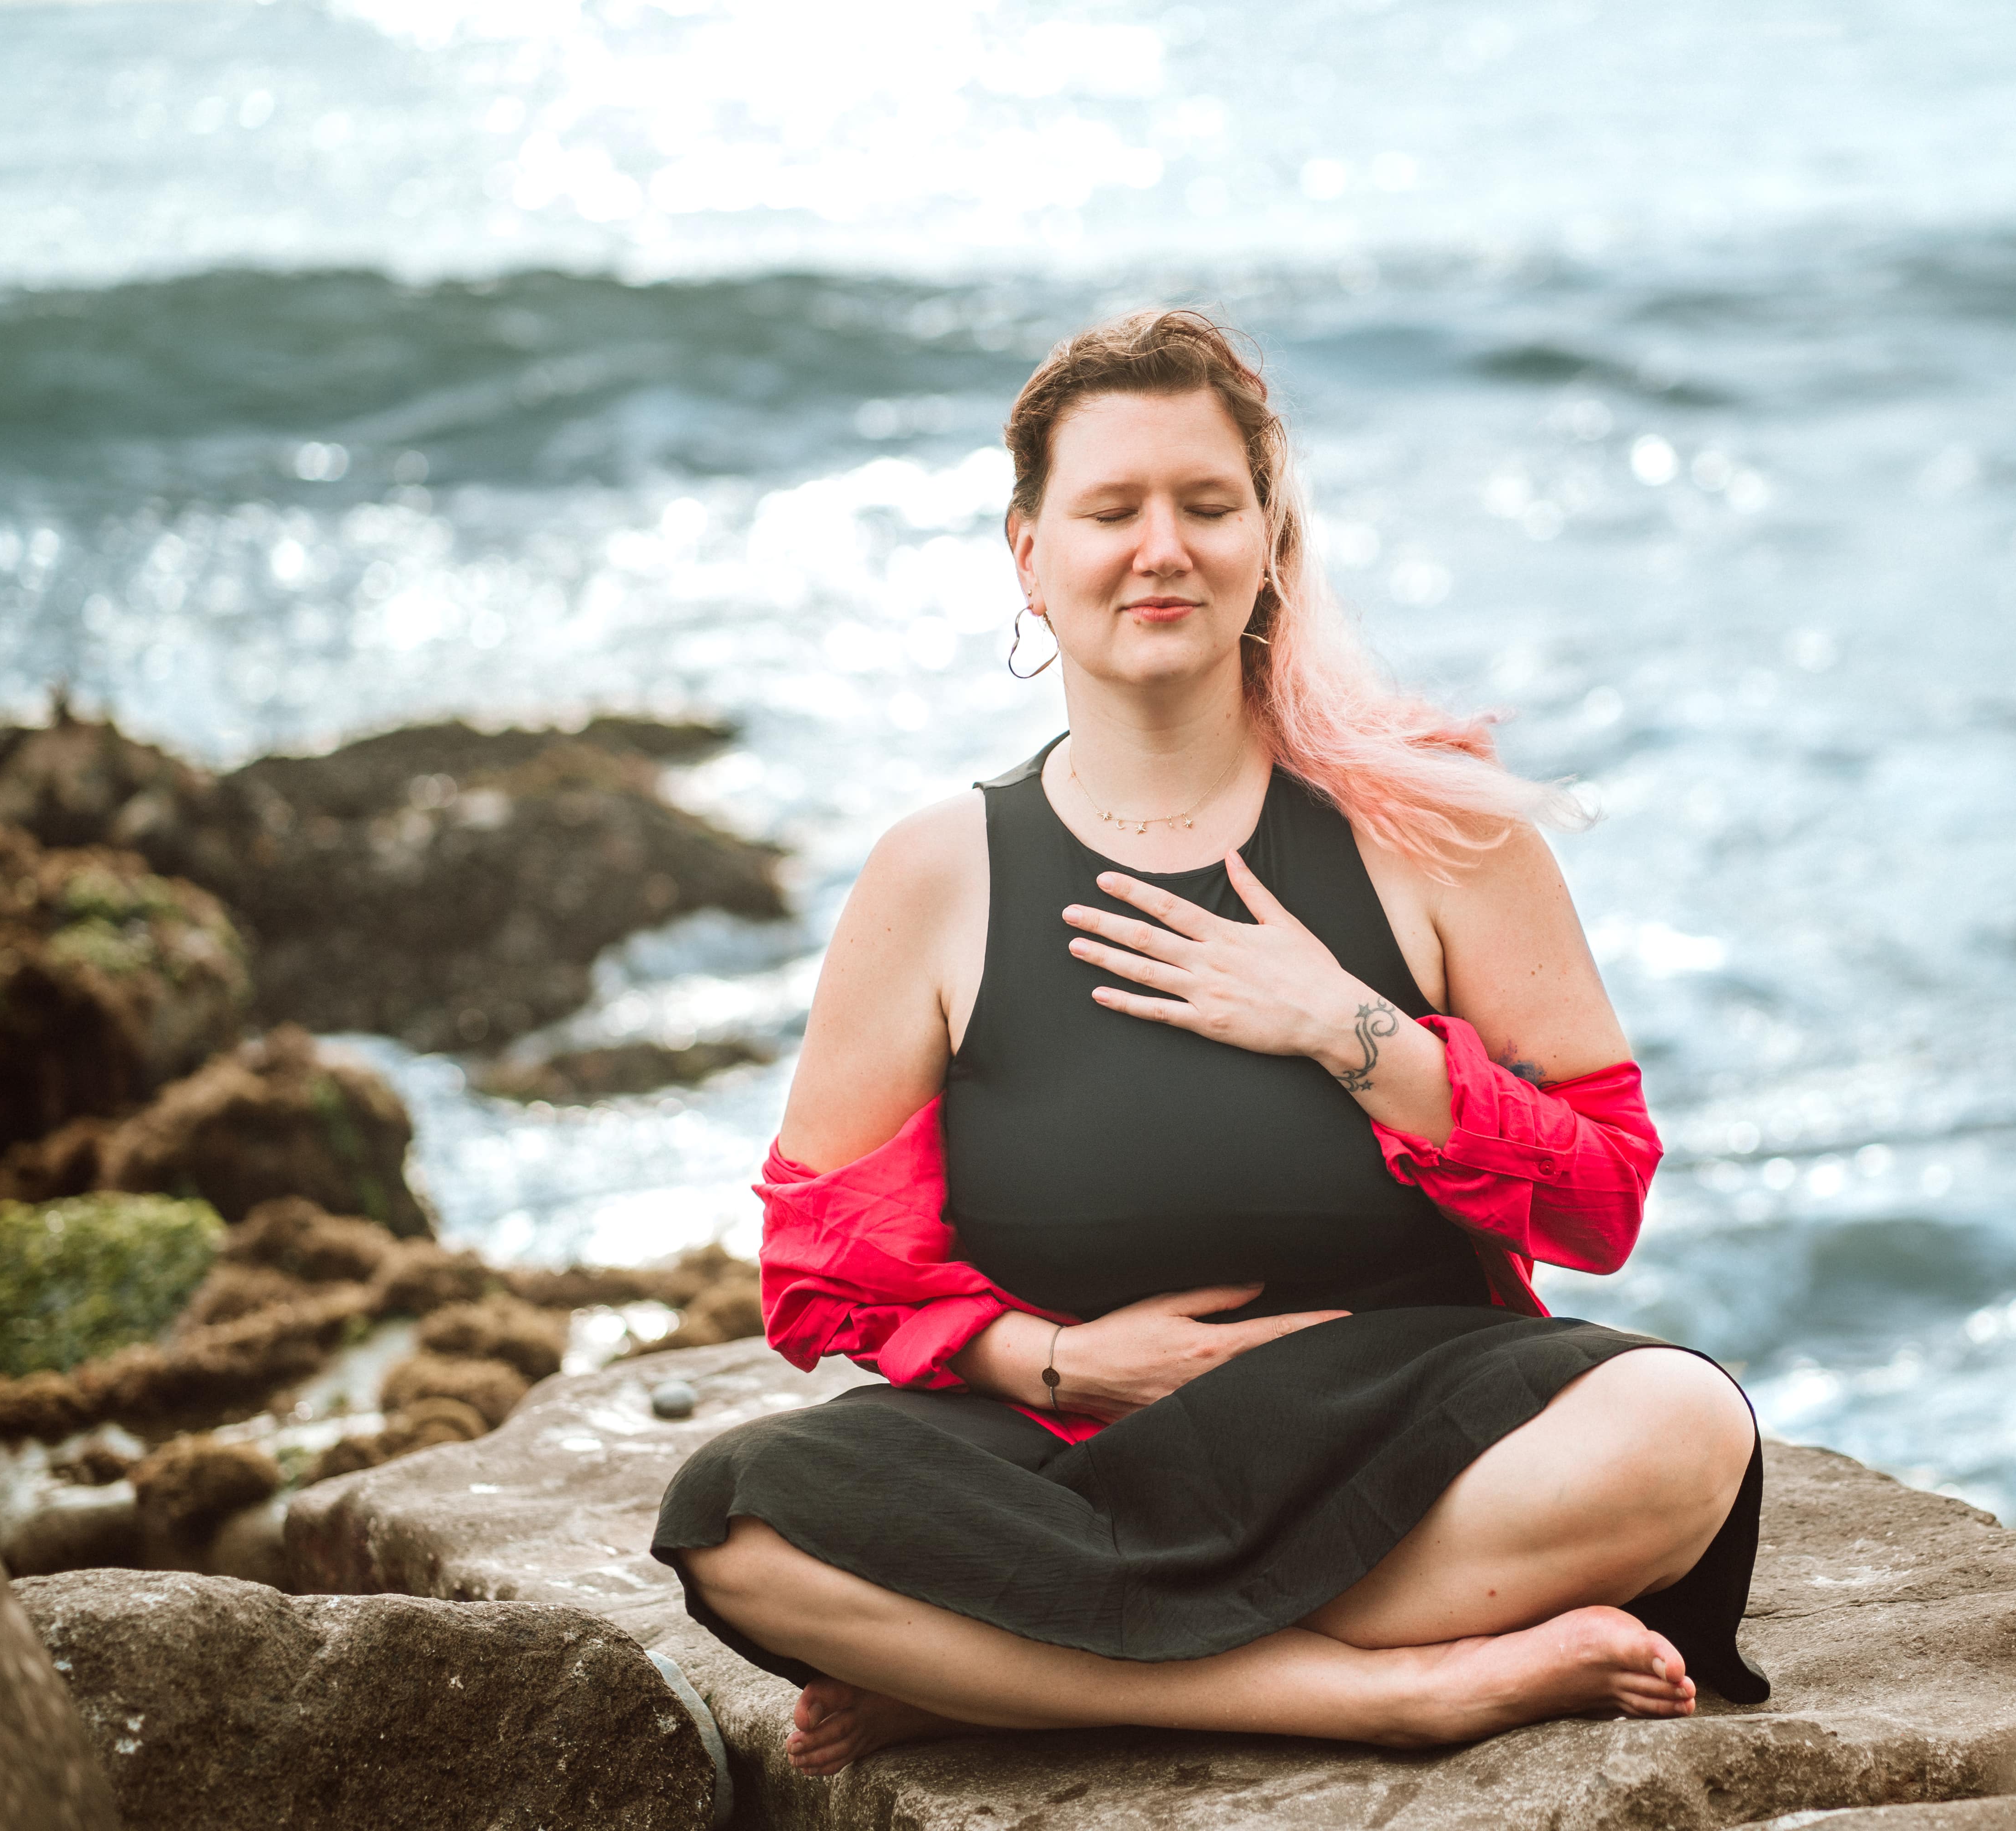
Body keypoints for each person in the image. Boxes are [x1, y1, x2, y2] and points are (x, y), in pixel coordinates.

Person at [651, 309, 1766, 1777]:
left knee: (1682, 1424)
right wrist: (1053, 1364)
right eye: (1111, 510)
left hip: (1406, 1430)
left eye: (1207, 503)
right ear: (1031, 556)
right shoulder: (938, 874)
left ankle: (1017, 1671)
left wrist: (1351, 1030)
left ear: (1269, 540)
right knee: (734, 1520)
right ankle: (1389, 1692)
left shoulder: (1438, 830)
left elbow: (1604, 1195)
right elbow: (817, 1269)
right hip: (1074, 1453)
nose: (1160, 547)